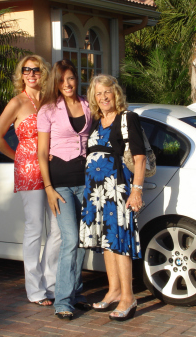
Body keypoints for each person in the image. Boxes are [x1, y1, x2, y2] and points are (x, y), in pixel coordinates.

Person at [0, 55, 61, 306]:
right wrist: (18, 158)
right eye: (26, 70)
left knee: (58, 229)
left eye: (36, 70)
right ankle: (35, 289)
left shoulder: (51, 101)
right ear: (20, 74)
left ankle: (50, 282)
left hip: (54, 169)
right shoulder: (17, 102)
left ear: (43, 73)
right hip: (30, 170)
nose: (31, 74)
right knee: (34, 229)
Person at [79, 74, 146, 321]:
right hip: (97, 193)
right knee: (107, 243)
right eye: (98, 94)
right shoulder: (97, 121)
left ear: (115, 93)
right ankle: (114, 290)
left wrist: (137, 190)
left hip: (118, 190)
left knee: (119, 243)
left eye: (107, 92)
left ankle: (128, 297)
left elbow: (139, 158)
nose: (103, 97)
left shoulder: (127, 119)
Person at [37, 59, 93, 320]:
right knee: (70, 239)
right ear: (55, 83)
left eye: (70, 78)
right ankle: (62, 300)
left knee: (82, 241)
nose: (67, 84)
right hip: (60, 184)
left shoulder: (87, 104)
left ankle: (76, 293)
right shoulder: (47, 110)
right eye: (62, 80)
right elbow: (41, 152)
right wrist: (48, 188)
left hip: (86, 181)